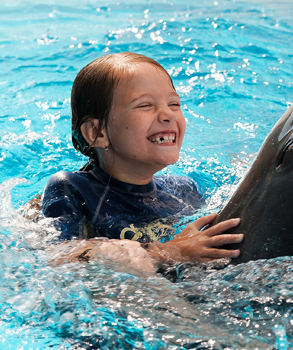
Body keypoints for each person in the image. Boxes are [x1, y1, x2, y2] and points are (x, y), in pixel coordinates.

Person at [41, 52, 243, 272]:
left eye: (174, 103)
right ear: (97, 132)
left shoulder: (185, 190)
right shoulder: (73, 189)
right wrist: (170, 252)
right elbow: (59, 258)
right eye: (145, 105)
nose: (168, 115)